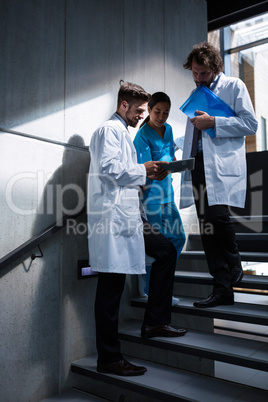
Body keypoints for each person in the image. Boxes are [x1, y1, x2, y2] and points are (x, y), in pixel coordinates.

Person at [87, 82, 187, 377]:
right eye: (140, 111)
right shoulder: (110, 130)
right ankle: (108, 357)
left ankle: (155, 321)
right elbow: (108, 169)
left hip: (129, 217)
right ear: (124, 105)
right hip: (114, 221)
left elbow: (122, 172)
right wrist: (144, 169)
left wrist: (143, 173)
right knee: (110, 290)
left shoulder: (121, 133)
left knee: (166, 251)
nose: (142, 117)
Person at [180, 42, 258, 308]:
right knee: (207, 226)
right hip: (198, 164)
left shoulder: (234, 86)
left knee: (218, 216)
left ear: (215, 67)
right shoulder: (196, 93)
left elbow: (251, 124)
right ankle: (222, 287)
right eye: (195, 73)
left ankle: (234, 262)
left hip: (221, 165)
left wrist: (214, 122)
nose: (199, 78)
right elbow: (193, 134)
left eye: (203, 73)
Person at [133, 92, 186, 305]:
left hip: (168, 195)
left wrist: (176, 164)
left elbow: (170, 156)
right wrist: (161, 169)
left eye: (166, 113)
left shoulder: (169, 129)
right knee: (158, 247)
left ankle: (157, 285)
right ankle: (148, 290)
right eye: (157, 112)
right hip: (152, 198)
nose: (162, 116)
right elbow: (145, 171)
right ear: (149, 110)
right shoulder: (142, 135)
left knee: (178, 238)